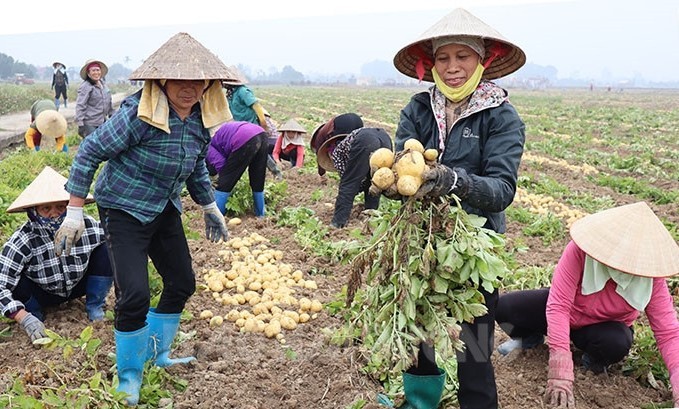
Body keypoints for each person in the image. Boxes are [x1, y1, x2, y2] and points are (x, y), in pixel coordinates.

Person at [53, 32, 232, 406]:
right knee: (134, 294)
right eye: (179, 81)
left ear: (208, 84)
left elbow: (195, 164)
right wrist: (73, 210)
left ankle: (157, 353)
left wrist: (209, 205)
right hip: (123, 208)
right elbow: (90, 150)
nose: (188, 88)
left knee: (182, 282)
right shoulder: (140, 114)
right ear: (161, 81)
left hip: (164, 206)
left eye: (196, 81)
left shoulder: (200, 119)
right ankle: (130, 375)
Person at [389, 8, 527, 409]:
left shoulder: (501, 115)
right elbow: (403, 168)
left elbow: (502, 189)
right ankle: (421, 403)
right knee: (420, 343)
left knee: (475, 351)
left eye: (462, 57)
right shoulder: (417, 109)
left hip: (474, 250)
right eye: (443, 58)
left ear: (481, 60)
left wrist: (452, 180)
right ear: (431, 63)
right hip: (420, 241)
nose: (452, 67)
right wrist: (389, 177)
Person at [496, 202, 679, 409]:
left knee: (616, 341)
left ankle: (593, 360)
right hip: (567, 312)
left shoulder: (650, 277)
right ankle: (531, 339)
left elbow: (668, 332)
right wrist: (560, 371)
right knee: (504, 307)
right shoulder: (580, 252)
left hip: (602, 329)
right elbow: (558, 307)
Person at [0, 166, 112, 344]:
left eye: (61, 207)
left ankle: (95, 306)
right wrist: (22, 317)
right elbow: (1, 286)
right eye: (46, 208)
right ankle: (34, 316)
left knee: (107, 248)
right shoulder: (22, 241)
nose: (54, 214)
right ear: (34, 211)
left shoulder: (87, 227)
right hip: (41, 293)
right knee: (15, 281)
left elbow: (119, 242)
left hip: (76, 285)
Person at [310, 113, 392, 229]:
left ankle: (338, 222)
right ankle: (371, 215)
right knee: (374, 181)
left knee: (349, 184)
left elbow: (349, 183)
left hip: (366, 141)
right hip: (384, 137)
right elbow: (364, 180)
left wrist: (349, 196)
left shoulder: (337, 153)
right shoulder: (347, 144)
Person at [223, 77, 283, 180]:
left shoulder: (243, 91)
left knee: (259, 151)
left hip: (251, 127)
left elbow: (256, 106)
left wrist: (263, 124)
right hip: (240, 128)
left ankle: (276, 172)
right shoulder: (230, 94)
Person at [206, 121, 269, 217]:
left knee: (225, 182)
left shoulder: (209, 149)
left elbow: (221, 167)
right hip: (261, 134)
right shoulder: (218, 141)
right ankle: (261, 214)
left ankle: (216, 216)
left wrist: (223, 181)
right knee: (258, 177)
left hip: (244, 136)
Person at [75, 59, 114, 138]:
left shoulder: (104, 85)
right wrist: (80, 124)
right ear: (88, 73)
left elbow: (108, 103)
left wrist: (112, 115)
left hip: (102, 122)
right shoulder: (86, 86)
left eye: (98, 70)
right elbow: (80, 105)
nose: (96, 72)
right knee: (92, 145)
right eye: (93, 70)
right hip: (90, 123)